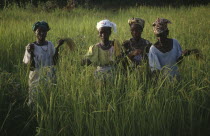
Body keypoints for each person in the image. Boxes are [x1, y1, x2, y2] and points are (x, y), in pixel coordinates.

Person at [23, 21, 64, 106]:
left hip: (49, 76)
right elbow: (31, 68)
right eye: (39, 31)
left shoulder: (50, 44)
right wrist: (31, 53)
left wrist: (58, 47)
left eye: (44, 31)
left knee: (48, 99)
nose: (42, 33)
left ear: (47, 32)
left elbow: (54, 62)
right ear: (35, 32)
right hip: (36, 78)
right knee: (35, 99)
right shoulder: (30, 47)